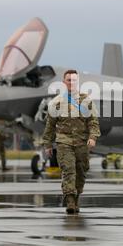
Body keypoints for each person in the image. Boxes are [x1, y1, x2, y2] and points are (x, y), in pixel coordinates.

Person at [42, 69, 101, 214]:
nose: (71, 82)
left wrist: (93, 137)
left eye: (74, 80)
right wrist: (48, 144)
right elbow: (49, 125)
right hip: (64, 142)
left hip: (82, 142)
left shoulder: (86, 101)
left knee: (81, 171)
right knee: (69, 171)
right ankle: (69, 200)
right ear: (64, 82)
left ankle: (76, 197)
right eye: (68, 80)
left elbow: (93, 122)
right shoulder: (56, 102)